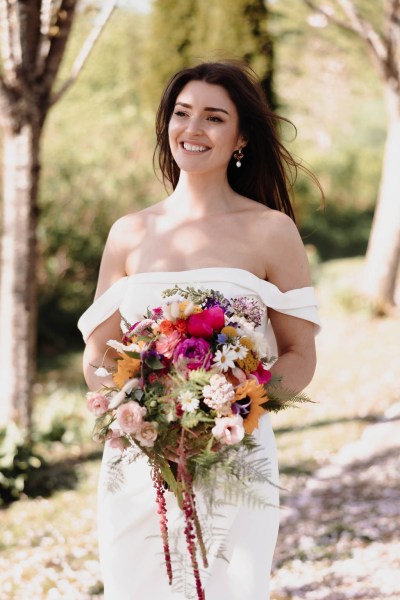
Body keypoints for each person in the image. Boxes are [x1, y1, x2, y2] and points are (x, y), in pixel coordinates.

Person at [78, 60, 321, 600]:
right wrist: (141, 415)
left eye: (214, 117)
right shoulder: (129, 233)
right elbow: (96, 357)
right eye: (182, 113)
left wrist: (232, 409)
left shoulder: (270, 231)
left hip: (236, 452)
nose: (192, 129)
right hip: (140, 461)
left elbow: (300, 352)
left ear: (240, 138)